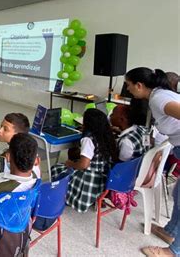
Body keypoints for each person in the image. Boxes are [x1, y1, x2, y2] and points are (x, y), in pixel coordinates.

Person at [123, 69, 180, 257]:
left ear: (139, 85)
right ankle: (170, 232)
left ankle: (174, 251)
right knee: (178, 195)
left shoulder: (158, 98)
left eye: (129, 85)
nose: (128, 89)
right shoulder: (161, 94)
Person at [51, 108, 118, 213]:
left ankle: (64, 197)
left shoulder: (88, 139)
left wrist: (71, 164)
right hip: (104, 177)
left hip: (90, 180)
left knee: (56, 169)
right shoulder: (107, 135)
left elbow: (84, 165)